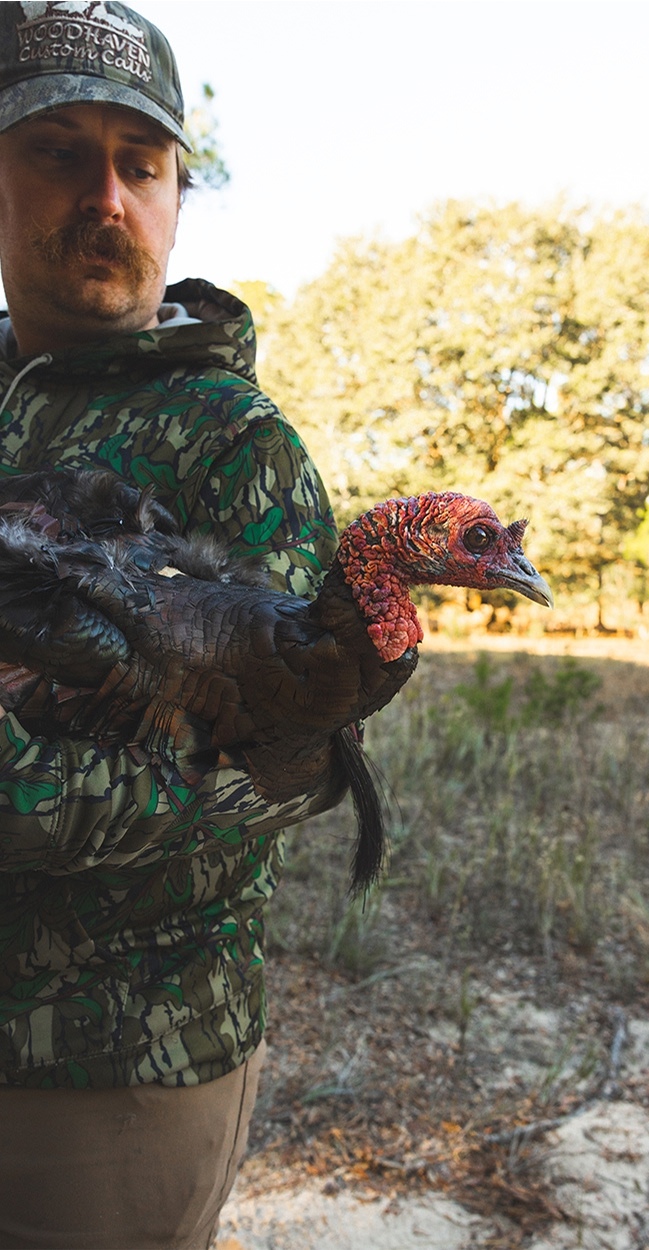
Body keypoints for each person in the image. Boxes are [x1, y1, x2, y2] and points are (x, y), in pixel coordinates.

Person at [0, 5, 342, 1247]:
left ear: (177, 199)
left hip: (105, 1057)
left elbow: (283, 769)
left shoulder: (232, 443)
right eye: (55, 152)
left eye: (139, 164)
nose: (106, 195)